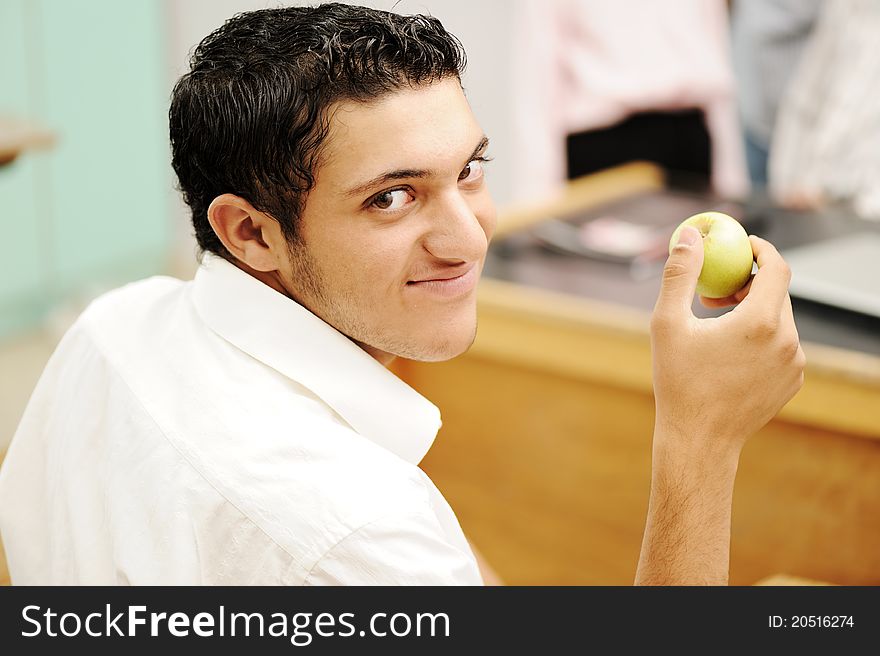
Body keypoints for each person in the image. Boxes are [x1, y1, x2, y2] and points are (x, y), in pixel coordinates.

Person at [0, 3, 804, 585]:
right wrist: (700, 443)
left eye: (468, 172)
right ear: (251, 232)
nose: (470, 239)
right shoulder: (356, 537)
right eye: (392, 197)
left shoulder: (114, 319)